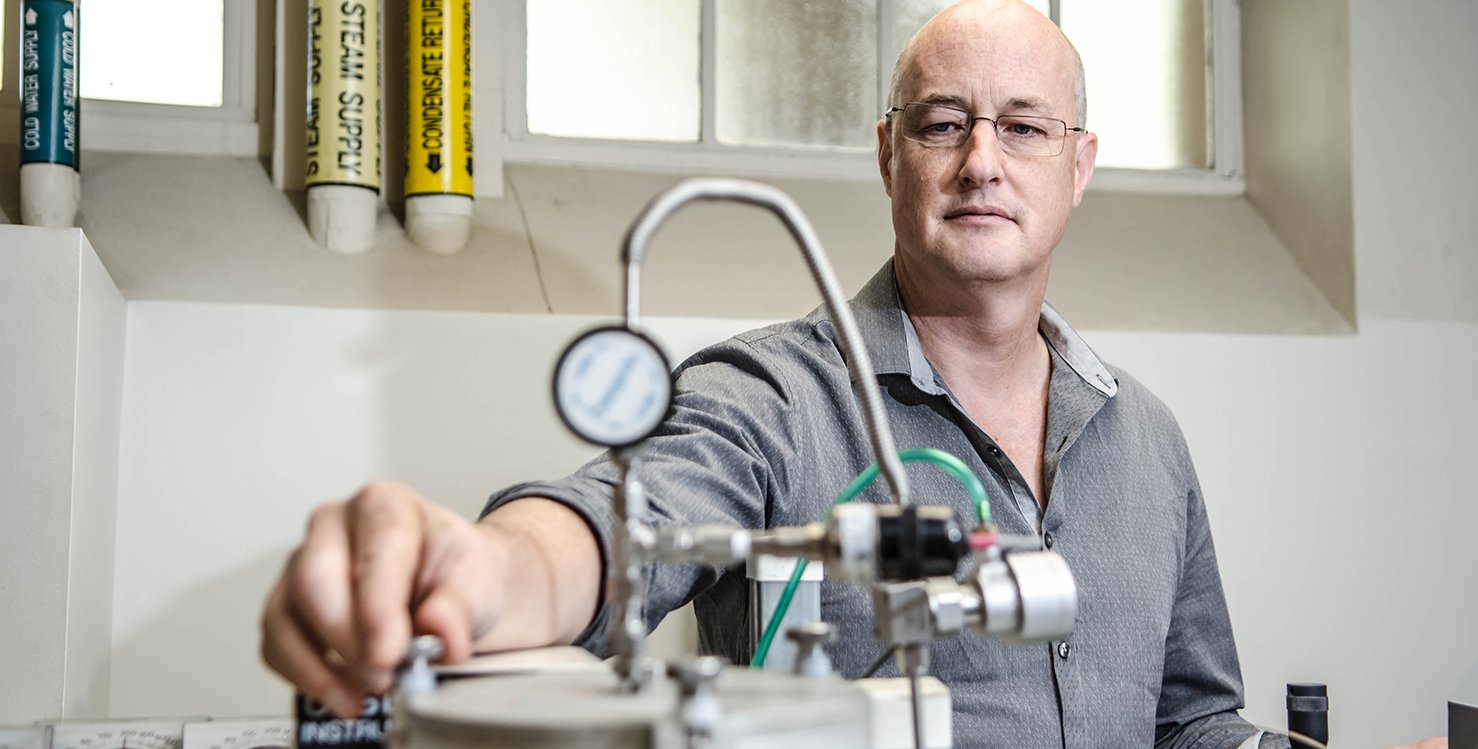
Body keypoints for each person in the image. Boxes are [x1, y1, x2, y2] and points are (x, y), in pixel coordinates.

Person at [260, 2, 1447, 747]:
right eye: (942, 123)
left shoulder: (1146, 436)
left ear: (1078, 167)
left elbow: (1186, 719)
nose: (981, 159)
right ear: (889, 155)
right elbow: (616, 525)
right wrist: (482, 570)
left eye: (1023, 127)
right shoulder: (773, 399)